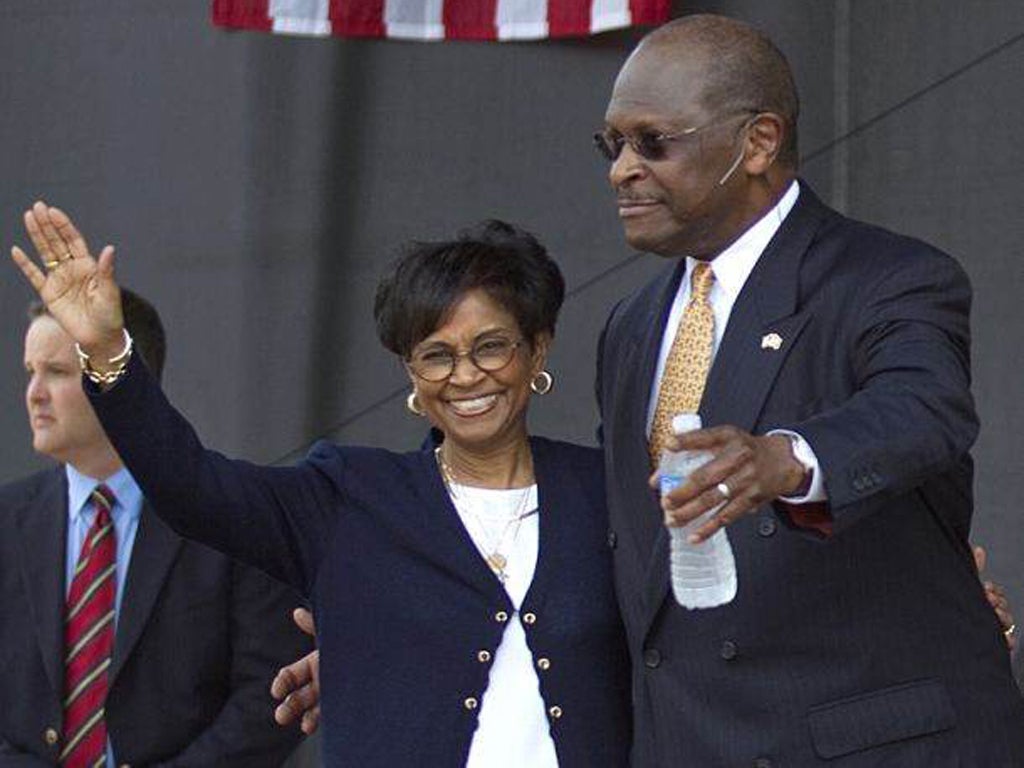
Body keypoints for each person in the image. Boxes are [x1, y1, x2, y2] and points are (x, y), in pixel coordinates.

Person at [10, 208, 631, 767]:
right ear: (410, 372)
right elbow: (193, 487)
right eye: (437, 355)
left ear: (537, 348)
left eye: (491, 347)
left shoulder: (603, 493)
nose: (467, 376)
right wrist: (106, 351)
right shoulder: (351, 497)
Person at [593, 13, 1024, 765]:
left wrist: (788, 460)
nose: (622, 169)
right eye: (613, 145)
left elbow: (924, 410)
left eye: (652, 143)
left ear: (758, 142)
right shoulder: (631, 327)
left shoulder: (889, 279)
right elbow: (622, 543)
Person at [0, 288, 312, 766]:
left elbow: (271, 694)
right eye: (31, 372)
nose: (33, 393)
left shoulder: (232, 511)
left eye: (58, 372)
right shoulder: (9, 519)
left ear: (126, 382)